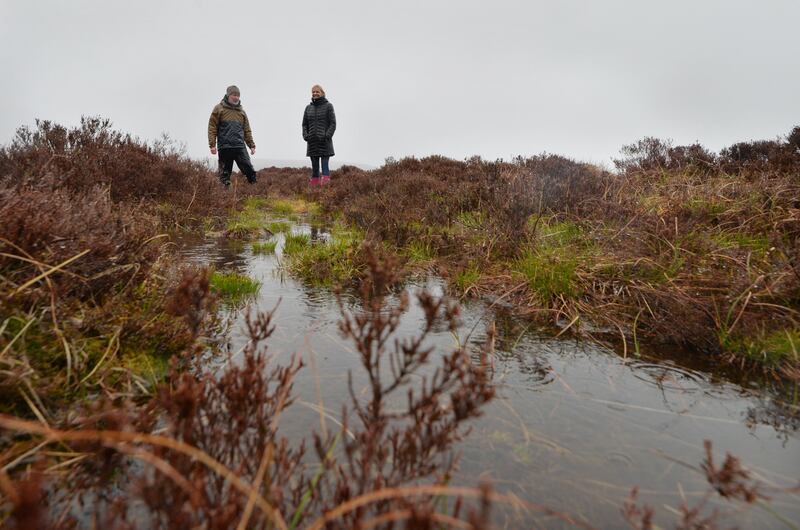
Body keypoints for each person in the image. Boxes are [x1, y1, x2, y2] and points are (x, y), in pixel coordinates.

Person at [208, 85, 257, 188]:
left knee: (249, 169)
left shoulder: (242, 112)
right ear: (228, 95)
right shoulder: (219, 109)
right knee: (224, 174)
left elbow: (247, 130)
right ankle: (225, 197)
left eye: (238, 95)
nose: (236, 97)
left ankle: (255, 191)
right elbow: (212, 127)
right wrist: (212, 145)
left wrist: (251, 145)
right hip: (225, 147)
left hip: (239, 146)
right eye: (234, 95)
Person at [302, 84, 336, 186]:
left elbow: (333, 123)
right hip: (312, 143)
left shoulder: (328, 106)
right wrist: (306, 136)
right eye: (313, 92)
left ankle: (325, 189)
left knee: (325, 167)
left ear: (322, 93)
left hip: (325, 143)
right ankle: (314, 190)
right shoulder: (308, 108)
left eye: (317, 92)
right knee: (315, 168)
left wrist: (327, 136)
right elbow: (304, 124)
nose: (315, 93)